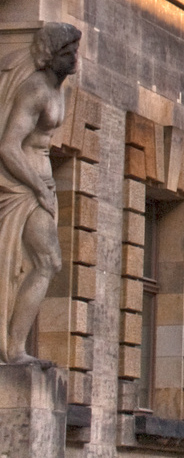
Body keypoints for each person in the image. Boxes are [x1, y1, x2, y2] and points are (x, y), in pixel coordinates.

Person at [0, 22, 79, 364]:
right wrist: (37, 188)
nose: (74, 58)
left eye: (75, 50)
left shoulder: (56, 87)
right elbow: (8, 147)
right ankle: (14, 350)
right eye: (66, 52)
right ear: (48, 56)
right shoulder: (35, 89)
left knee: (41, 263)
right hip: (25, 184)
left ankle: (16, 347)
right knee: (47, 262)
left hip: (41, 183)